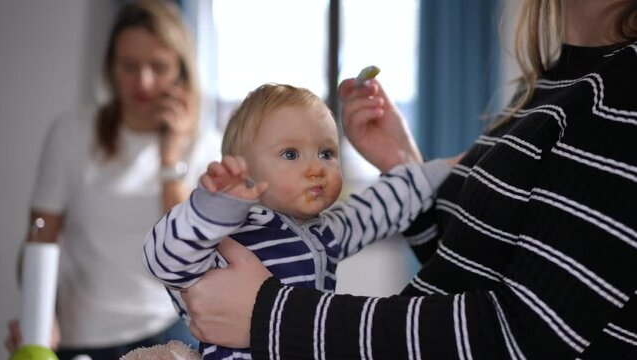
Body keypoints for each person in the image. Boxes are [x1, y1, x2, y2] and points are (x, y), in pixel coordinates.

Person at [175, 0, 637, 358]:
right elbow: (472, 270)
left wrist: (271, 316)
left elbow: (523, 337)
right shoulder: (550, 83)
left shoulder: (623, 88)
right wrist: (405, 168)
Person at [143, 83, 456, 359]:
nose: (316, 168)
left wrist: (450, 167)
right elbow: (162, 259)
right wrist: (214, 209)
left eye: (326, 153)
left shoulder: (328, 232)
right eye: (291, 154)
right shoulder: (227, 239)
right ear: (245, 172)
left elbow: (387, 203)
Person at [4, 1, 222, 359]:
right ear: (109, 68)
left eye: (159, 66)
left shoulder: (205, 146)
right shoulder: (71, 134)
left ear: (182, 71)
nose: (144, 81)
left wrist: (170, 159)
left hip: (168, 331)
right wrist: (38, 313)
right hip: (82, 333)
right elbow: (40, 235)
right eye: (129, 66)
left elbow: (188, 253)